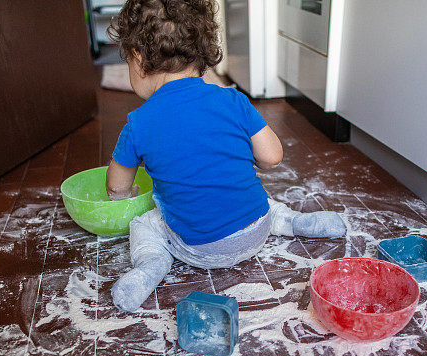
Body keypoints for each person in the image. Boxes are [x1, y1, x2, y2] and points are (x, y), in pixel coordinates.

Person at [105, 0, 346, 312]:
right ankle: (296, 221)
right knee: (258, 197)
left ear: (136, 58)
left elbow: (117, 187)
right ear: (201, 52)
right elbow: (273, 157)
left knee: (145, 223)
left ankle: (151, 265)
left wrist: (125, 192)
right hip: (256, 231)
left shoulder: (138, 123)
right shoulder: (233, 99)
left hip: (198, 249)